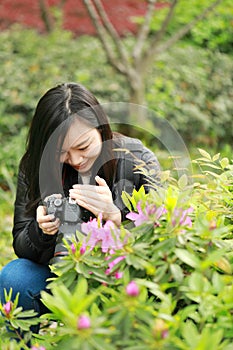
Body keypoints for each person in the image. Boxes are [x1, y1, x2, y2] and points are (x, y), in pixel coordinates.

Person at [0, 82, 160, 330]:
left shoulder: (137, 158)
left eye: (83, 147)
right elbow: (22, 245)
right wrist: (41, 231)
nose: (75, 160)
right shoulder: (34, 166)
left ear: (101, 128)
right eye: (61, 153)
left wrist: (116, 218)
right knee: (15, 276)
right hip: (58, 274)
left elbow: (161, 235)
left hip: (120, 278)